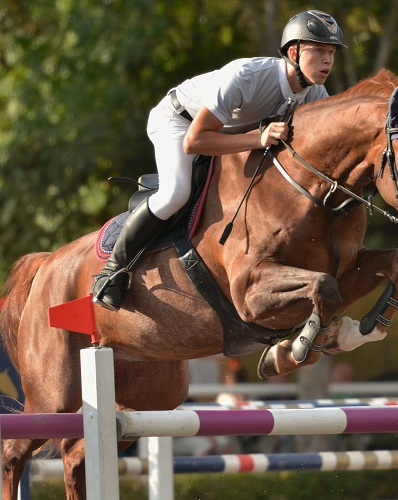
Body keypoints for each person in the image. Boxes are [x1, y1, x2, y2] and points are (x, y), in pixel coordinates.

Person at [92, 10, 345, 310]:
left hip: (226, 132)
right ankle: (112, 273)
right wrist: (258, 139)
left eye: (331, 52)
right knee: (176, 193)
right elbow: (194, 142)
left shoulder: (316, 94)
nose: (327, 60)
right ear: (294, 53)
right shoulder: (248, 77)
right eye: (318, 50)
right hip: (180, 121)